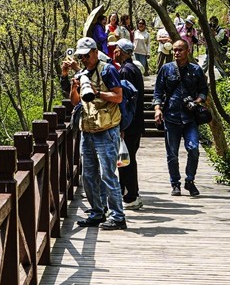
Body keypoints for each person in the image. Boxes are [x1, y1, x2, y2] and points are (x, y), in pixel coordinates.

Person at [69, 37, 127, 230]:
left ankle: (118, 217)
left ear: (95, 52)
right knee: (88, 175)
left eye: (87, 55)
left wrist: (97, 93)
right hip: (87, 129)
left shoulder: (108, 70)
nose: (84, 59)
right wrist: (74, 87)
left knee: (107, 175)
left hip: (106, 130)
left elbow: (118, 97)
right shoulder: (82, 73)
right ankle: (97, 212)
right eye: (81, 57)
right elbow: (75, 102)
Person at [152, 39, 208, 197]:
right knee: (172, 154)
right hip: (171, 117)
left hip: (190, 118)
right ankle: (175, 183)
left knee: (194, 149)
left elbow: (204, 90)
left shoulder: (196, 70)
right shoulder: (166, 69)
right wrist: (157, 109)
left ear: (187, 51)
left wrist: (197, 101)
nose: (176, 53)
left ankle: (190, 180)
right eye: (175, 50)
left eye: (180, 50)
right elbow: (158, 91)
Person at [113, 39, 145, 210]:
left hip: (130, 125)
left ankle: (131, 196)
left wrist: (122, 126)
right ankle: (130, 193)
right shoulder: (133, 69)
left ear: (123, 52)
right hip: (135, 123)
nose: (114, 52)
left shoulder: (125, 71)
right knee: (128, 159)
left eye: (116, 49)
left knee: (126, 161)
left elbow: (125, 101)